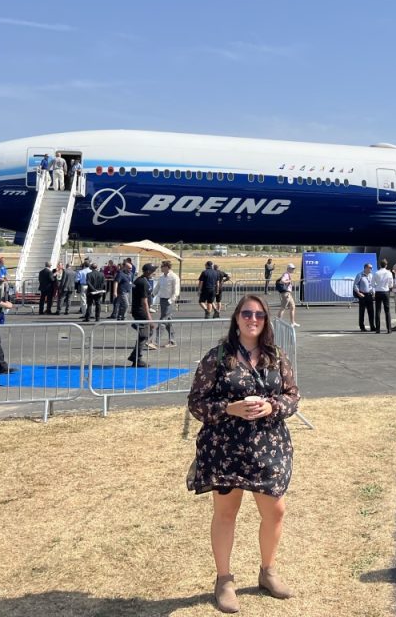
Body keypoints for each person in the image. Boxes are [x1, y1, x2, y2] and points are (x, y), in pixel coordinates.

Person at [187, 295, 300, 612]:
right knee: (225, 514)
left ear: (266, 320)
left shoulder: (276, 357)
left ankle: (268, 571)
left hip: (268, 446)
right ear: (236, 318)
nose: (253, 319)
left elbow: (292, 396)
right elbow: (196, 403)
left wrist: (272, 406)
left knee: (275, 511)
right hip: (225, 448)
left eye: (260, 315)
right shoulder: (218, 358)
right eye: (247, 313)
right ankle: (224, 579)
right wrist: (229, 408)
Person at [128, 263, 156, 367]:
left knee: (145, 334)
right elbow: (144, 301)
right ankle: (137, 358)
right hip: (141, 311)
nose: (154, 273)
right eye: (153, 271)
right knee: (144, 335)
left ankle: (134, 356)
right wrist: (150, 318)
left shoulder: (141, 281)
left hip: (139, 310)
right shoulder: (142, 282)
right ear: (148, 272)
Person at [153, 260, 180, 346]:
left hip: (169, 300)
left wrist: (170, 300)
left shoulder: (174, 277)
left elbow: (176, 291)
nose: (161, 268)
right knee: (168, 321)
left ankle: (156, 341)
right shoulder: (161, 277)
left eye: (162, 266)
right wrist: (152, 295)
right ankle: (172, 340)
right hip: (162, 300)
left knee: (163, 320)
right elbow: (157, 287)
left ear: (167, 267)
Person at [372, 259, 393, 334]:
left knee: (378, 311)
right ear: (386, 265)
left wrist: (377, 286)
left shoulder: (376, 273)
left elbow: (372, 284)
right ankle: (389, 329)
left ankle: (378, 329)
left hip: (378, 292)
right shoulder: (389, 273)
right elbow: (391, 284)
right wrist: (387, 286)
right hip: (386, 292)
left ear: (380, 265)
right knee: (387, 311)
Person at [353, 262, 375, 332]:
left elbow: (373, 285)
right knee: (362, 312)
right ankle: (362, 327)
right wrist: (358, 293)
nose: (371, 269)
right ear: (366, 268)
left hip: (369, 295)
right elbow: (355, 285)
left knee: (371, 312)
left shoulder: (371, 275)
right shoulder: (359, 275)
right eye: (370, 268)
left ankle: (372, 326)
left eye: (372, 268)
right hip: (362, 295)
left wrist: (374, 292)